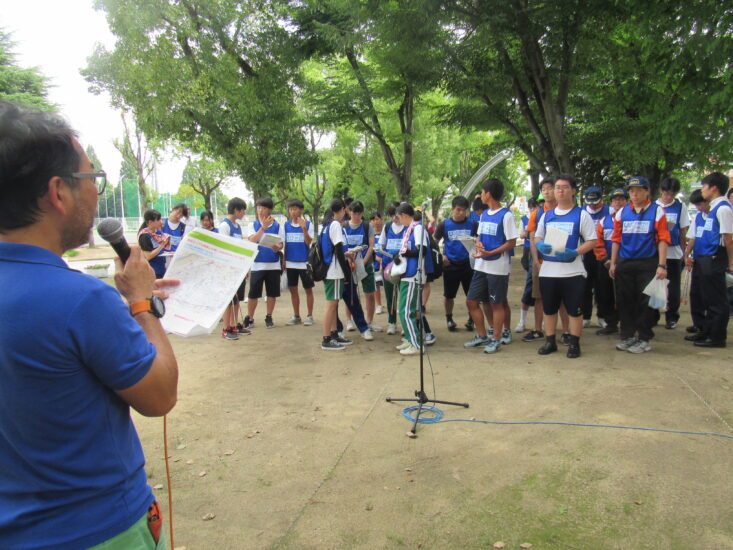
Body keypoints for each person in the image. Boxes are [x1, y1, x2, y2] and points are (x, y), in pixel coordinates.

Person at [0, 100, 178, 549]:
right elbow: (158, 395)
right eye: (93, 178)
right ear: (58, 192)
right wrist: (141, 304)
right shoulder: (79, 300)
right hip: (98, 529)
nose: (98, 191)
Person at [534, 174, 597, 358]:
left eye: (564, 187)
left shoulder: (581, 215)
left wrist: (576, 252)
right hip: (549, 270)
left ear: (573, 191)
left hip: (573, 271)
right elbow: (537, 236)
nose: (560, 190)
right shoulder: (547, 215)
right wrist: (539, 245)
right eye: (557, 187)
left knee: (574, 310)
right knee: (549, 308)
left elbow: (592, 240)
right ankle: (550, 341)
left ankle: (574, 343)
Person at [610, 176, 671, 353]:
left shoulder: (657, 211)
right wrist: (613, 263)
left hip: (648, 262)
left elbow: (663, 239)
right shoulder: (622, 213)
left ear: (647, 191)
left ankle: (644, 338)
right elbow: (616, 239)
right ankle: (627, 335)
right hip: (625, 262)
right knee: (625, 299)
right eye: (631, 190)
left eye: (638, 190)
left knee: (646, 301)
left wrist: (662, 265)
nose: (634, 194)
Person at [464, 178, 518, 354]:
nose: (480, 195)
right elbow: (479, 236)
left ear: (489, 194)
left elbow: (511, 242)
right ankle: (482, 335)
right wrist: (477, 245)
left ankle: (496, 338)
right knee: (472, 300)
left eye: (482, 191)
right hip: (481, 264)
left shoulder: (506, 215)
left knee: (497, 304)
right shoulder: (485, 214)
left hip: (498, 267)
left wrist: (492, 252)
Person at [683, 172, 732, 347]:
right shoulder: (712, 209)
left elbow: (728, 238)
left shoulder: (723, 209)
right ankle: (707, 331)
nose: (702, 190)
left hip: (715, 256)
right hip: (704, 257)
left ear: (714, 188)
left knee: (717, 299)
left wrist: (730, 263)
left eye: (704, 186)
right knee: (707, 298)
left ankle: (717, 337)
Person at [433, 195, 478, 332]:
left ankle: (471, 320)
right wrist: (441, 256)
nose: (461, 213)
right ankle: (449, 319)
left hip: (468, 265)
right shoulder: (444, 225)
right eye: (458, 210)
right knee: (449, 296)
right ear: (452, 209)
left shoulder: (473, 224)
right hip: (451, 265)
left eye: (464, 210)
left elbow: (480, 241)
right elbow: (433, 242)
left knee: (471, 296)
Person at [393, 202, 431, 356]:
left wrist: (405, 254)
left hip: (413, 274)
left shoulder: (418, 228)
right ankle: (410, 339)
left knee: (405, 311)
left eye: (399, 217)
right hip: (406, 273)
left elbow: (422, 250)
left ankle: (416, 344)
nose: (398, 220)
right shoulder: (409, 229)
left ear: (403, 215)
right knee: (403, 309)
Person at [320, 198, 359, 350]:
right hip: (334, 271)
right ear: (342, 209)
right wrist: (347, 271)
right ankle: (326, 338)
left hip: (330, 270)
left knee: (334, 304)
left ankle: (334, 333)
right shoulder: (335, 225)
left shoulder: (327, 225)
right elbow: (338, 250)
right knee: (331, 305)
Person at [243, 197, 285, 329]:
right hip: (257, 264)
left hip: (273, 264)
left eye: (264, 208)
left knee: (272, 293)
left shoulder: (278, 226)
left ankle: (269, 316)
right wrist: (263, 228)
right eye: (258, 207)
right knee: (253, 293)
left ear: (270, 210)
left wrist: (277, 247)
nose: (260, 211)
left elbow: (281, 243)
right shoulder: (253, 225)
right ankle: (250, 317)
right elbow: (252, 240)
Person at [654, 177, 689, 329]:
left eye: (672, 194)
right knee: (654, 286)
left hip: (673, 251)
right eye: (666, 193)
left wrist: (685, 252)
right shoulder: (653, 206)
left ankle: (672, 316)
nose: (668, 197)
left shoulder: (680, 207)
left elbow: (683, 231)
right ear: (661, 191)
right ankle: (653, 315)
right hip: (655, 251)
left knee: (673, 286)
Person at [594, 188, 628, 336]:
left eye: (621, 199)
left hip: (626, 263)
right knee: (606, 294)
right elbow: (598, 243)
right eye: (615, 200)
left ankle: (628, 325)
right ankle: (611, 323)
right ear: (611, 203)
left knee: (626, 294)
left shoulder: (631, 219)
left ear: (627, 201)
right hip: (606, 264)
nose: (618, 202)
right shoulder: (604, 221)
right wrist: (605, 260)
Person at [343, 200, 380, 332]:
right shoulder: (344, 226)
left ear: (362, 213)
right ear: (349, 212)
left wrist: (363, 262)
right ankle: (349, 320)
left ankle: (369, 321)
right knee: (350, 294)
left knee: (369, 294)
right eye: (354, 213)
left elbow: (371, 245)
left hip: (366, 264)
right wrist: (350, 261)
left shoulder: (367, 226)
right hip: (349, 265)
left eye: (359, 213)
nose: (356, 216)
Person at [218, 198, 249, 339]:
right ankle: (226, 328)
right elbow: (224, 248)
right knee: (229, 300)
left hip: (238, 268)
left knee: (237, 299)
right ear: (237, 210)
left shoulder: (237, 226)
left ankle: (235, 324)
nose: (244, 213)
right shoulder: (224, 226)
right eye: (243, 210)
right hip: (228, 269)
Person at [283, 199, 315, 326]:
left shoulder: (308, 224)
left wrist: (304, 229)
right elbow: (285, 244)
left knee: (308, 289)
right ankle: (296, 316)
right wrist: (284, 260)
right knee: (293, 290)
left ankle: (310, 315)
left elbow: (308, 242)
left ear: (301, 210)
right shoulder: (286, 225)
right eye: (291, 209)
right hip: (290, 263)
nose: (293, 211)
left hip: (304, 262)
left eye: (295, 209)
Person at [581, 186, 609, 328]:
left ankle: (602, 315)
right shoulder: (582, 212)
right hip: (586, 253)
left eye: (595, 201)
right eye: (589, 202)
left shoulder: (609, 211)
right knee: (586, 285)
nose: (592, 205)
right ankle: (585, 316)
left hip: (602, 253)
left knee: (601, 285)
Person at [683, 190, 709, 339]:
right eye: (696, 205)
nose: (698, 207)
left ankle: (707, 326)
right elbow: (692, 237)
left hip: (711, 259)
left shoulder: (716, 214)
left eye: (700, 204)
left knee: (707, 294)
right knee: (695, 293)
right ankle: (698, 323)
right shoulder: (699, 217)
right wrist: (686, 254)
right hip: (698, 258)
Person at [379, 202, 406, 335]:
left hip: (403, 267)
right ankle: (392, 322)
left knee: (403, 296)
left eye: (396, 216)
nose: (394, 219)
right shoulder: (388, 226)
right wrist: (380, 262)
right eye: (392, 216)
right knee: (390, 296)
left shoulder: (407, 227)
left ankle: (405, 324)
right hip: (388, 267)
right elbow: (381, 245)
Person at [516, 198, 538, 333]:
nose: (533, 209)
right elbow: (522, 234)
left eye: (534, 206)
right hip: (529, 251)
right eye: (531, 207)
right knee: (529, 287)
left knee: (541, 293)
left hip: (541, 254)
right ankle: (522, 322)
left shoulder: (543, 217)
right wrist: (529, 233)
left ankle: (539, 324)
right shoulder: (525, 219)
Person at [138, 209, 171, 279]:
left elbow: (160, 251)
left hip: (162, 269)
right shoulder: (144, 236)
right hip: (152, 271)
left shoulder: (158, 232)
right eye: (158, 220)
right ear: (150, 222)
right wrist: (162, 245)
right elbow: (148, 256)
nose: (161, 222)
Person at [369, 213, 385, 314]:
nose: (376, 221)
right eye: (373, 219)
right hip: (375, 263)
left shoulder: (386, 231)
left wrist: (383, 259)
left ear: (381, 219)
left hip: (386, 262)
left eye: (377, 219)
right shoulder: (371, 235)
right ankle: (378, 305)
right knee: (376, 285)